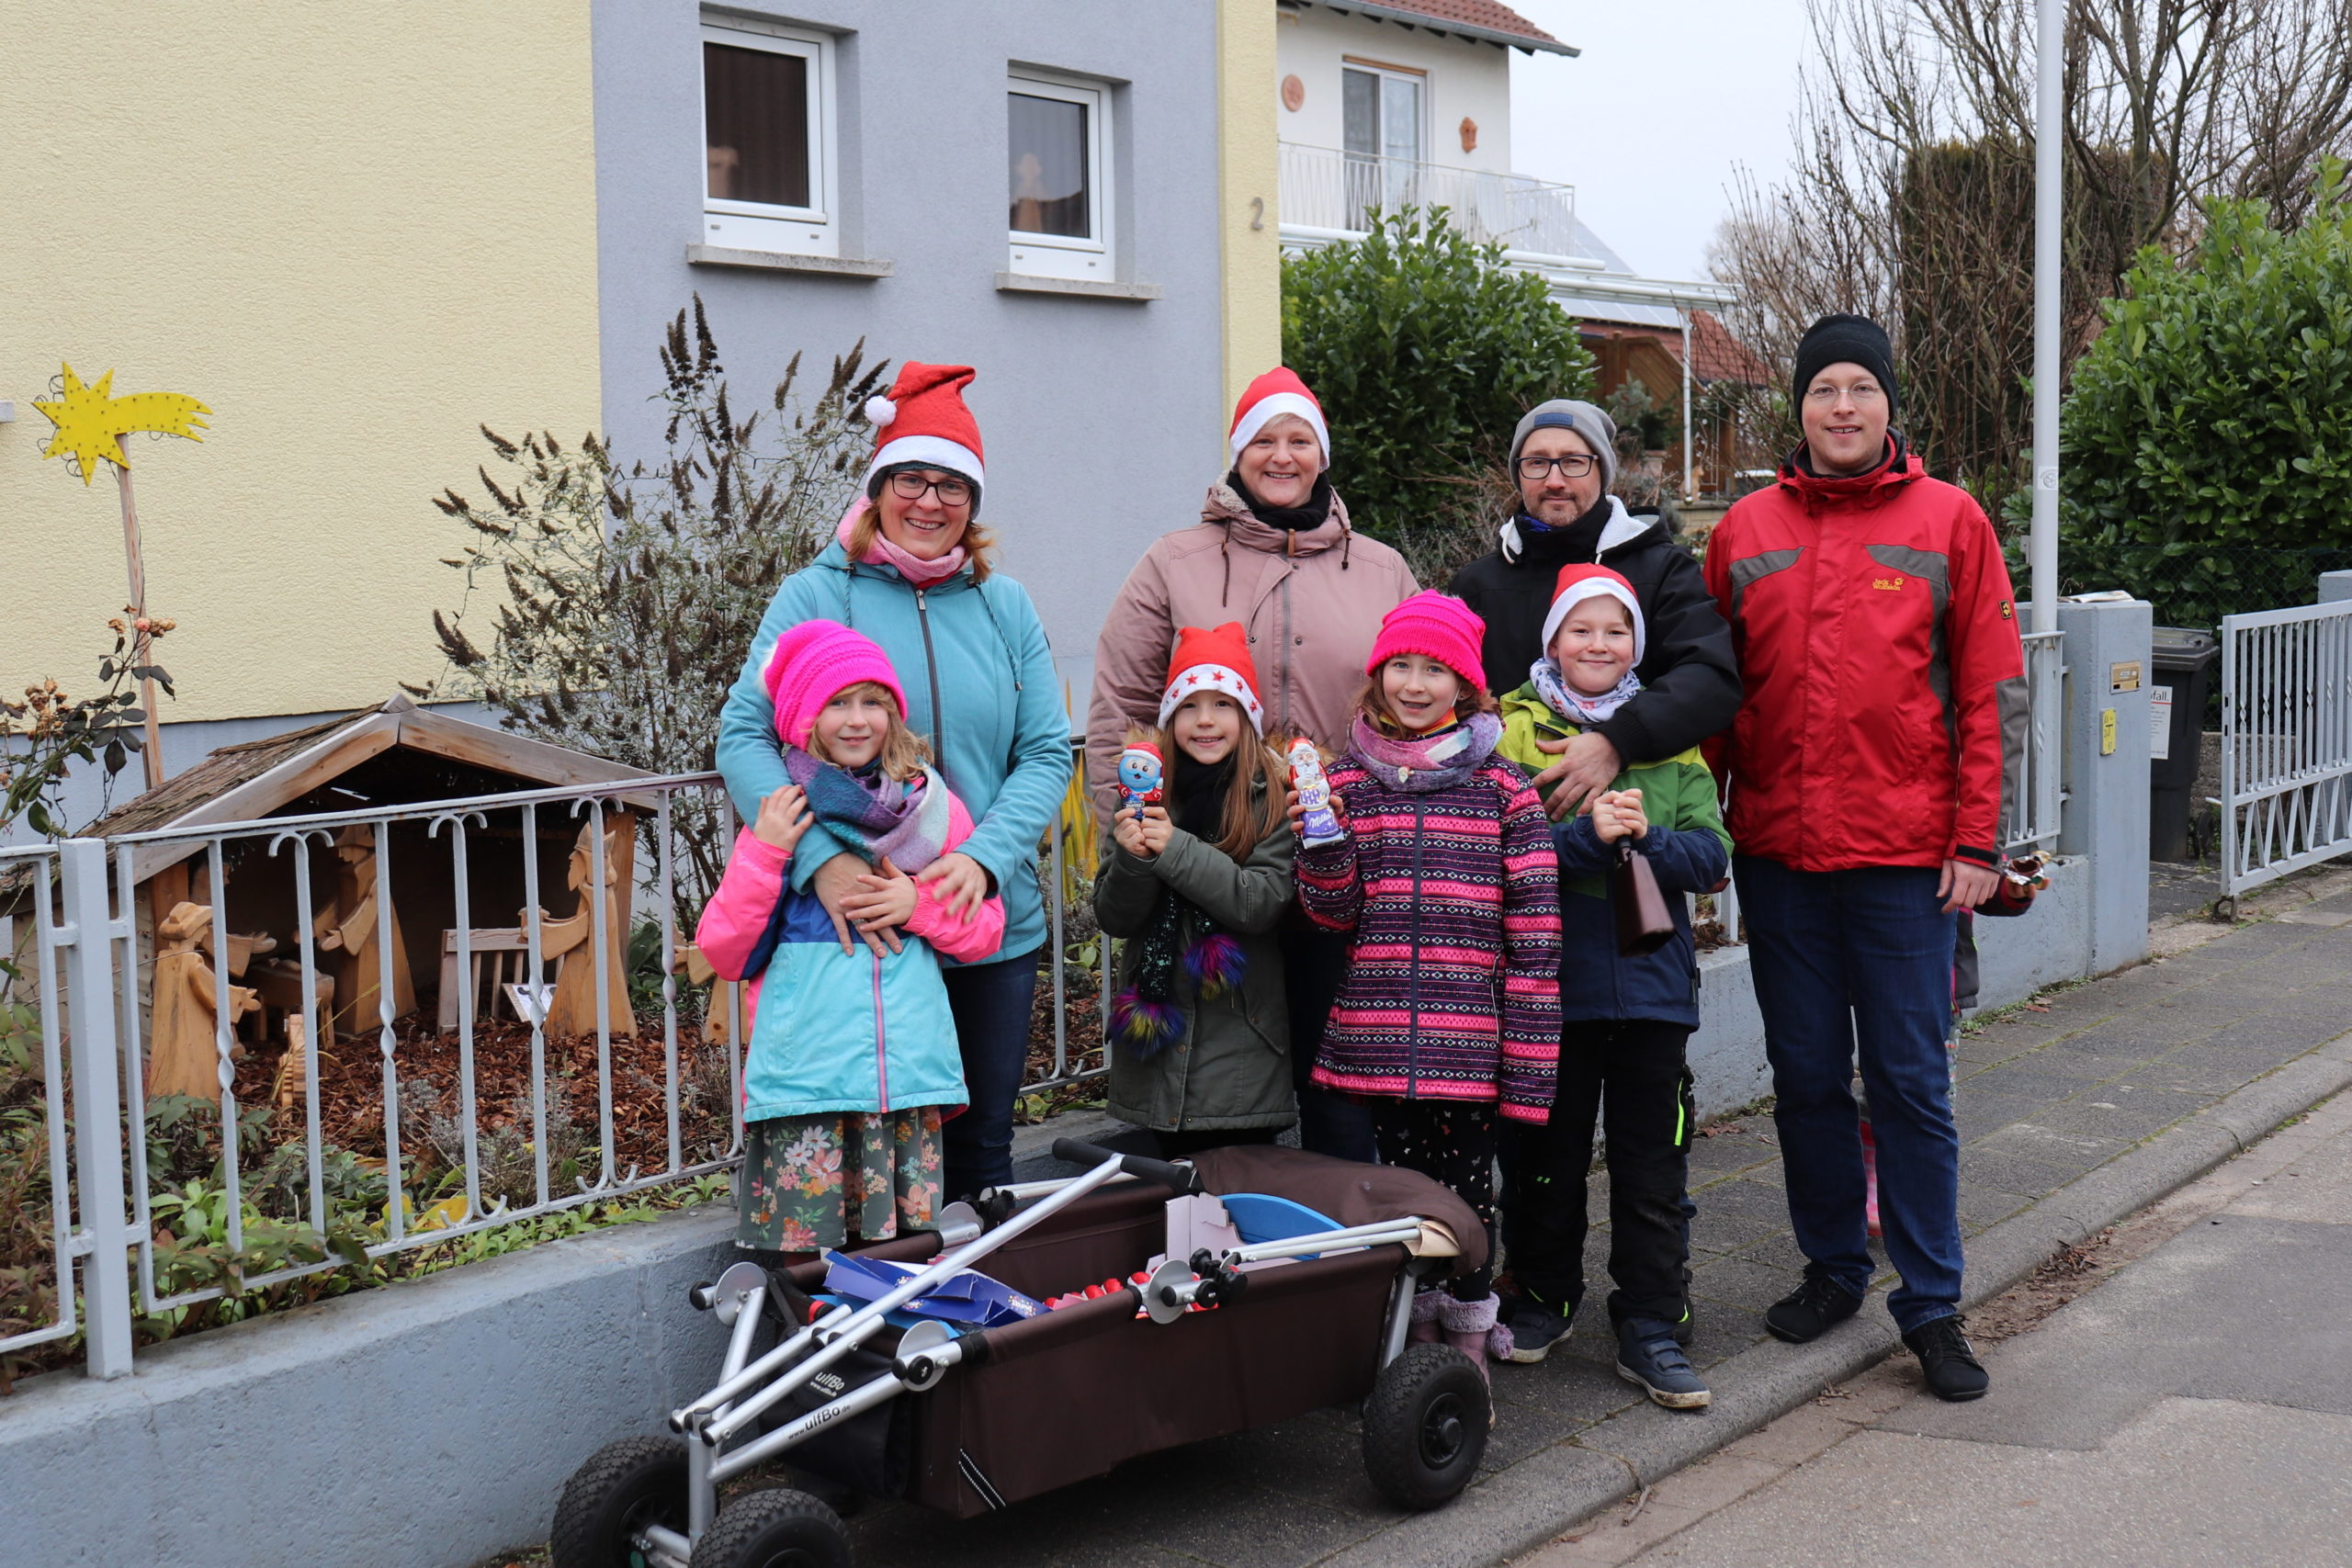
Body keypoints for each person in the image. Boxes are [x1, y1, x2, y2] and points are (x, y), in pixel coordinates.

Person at [1702, 312, 2026, 1403]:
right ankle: (1834, 1266)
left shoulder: (1950, 522)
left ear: (1890, 404)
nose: (1842, 407)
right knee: (1801, 1078)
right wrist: (1700, 830)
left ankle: (1931, 1304)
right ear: (1797, 409)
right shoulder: (1743, 530)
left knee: (1908, 1084)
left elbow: (1992, 694)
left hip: (1907, 865)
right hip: (1780, 857)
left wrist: (1977, 840)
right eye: (1822, 389)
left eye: (1860, 388)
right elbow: (1710, 702)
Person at [717, 363, 1069, 1201]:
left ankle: (972, 1329)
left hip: (979, 918)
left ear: (972, 504)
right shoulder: (814, 598)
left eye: (953, 485)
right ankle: (881, 1326)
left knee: (982, 1150)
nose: (930, 501)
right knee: (868, 1164)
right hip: (855, 939)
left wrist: (982, 859)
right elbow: (743, 733)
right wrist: (817, 864)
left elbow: (1048, 751)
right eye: (911, 477)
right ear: (878, 487)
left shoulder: (1004, 606)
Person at [1090, 367, 1418, 1162]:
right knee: (1239, 1064)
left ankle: (1349, 1249)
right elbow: (1120, 703)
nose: (1282, 455)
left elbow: (1417, 697)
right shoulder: (1175, 561)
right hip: (1215, 860)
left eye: (1299, 439)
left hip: (1350, 859)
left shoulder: (1380, 569)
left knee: (1341, 1070)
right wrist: (1130, 832)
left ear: (1322, 454)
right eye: (1263, 439)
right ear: (1237, 455)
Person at [1292, 592, 1561, 1380]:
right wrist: (1324, 838)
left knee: (1469, 1195)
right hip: (1375, 1037)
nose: (1415, 683)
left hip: (1467, 1046)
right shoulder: (1346, 781)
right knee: (1400, 1197)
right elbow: (1329, 913)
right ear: (1377, 678)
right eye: (1400, 666)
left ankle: (1469, 1338)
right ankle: (1415, 1339)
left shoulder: (1506, 791)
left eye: (1435, 669)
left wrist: (1530, 1066)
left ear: (1466, 687)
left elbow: (1538, 941)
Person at [1492, 565, 1731, 1410]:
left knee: (1651, 1167)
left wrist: (1651, 838)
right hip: (1548, 993)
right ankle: (1547, 1298)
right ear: (1551, 639)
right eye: (1581, 630)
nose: (1599, 645)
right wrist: (1588, 839)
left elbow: (1713, 854)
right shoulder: (1512, 731)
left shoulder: (1663, 734)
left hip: (1653, 994)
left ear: (1637, 643)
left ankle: (1653, 1323)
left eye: (1616, 631)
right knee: (1546, 1165)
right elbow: (1503, 850)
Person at [696, 621, 1005, 1257]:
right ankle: (817, 1361)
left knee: (902, 1263)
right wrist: (771, 854)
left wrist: (915, 902)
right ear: (804, 715)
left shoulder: (930, 810)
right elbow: (724, 949)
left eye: (873, 702)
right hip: (808, 1090)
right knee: (807, 1267)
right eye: (837, 702)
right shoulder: (783, 815)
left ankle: (891, 1359)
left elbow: (984, 929)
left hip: (904, 1092)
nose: (858, 719)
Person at [1448, 399, 1739, 823]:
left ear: (1601, 470)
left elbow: (1709, 679)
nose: (1554, 480)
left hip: (1634, 834)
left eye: (1573, 462)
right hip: (1502, 842)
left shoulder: (1660, 570)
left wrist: (1618, 741)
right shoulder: (1479, 584)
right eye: (1536, 463)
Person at [1094, 623, 1297, 1156]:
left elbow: (1259, 903)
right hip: (1157, 1052)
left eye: (1223, 705)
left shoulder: (1271, 797)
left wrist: (1173, 848)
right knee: (1169, 1214)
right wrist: (1135, 858)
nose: (1205, 720)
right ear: (1169, 719)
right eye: (1189, 706)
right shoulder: (1141, 796)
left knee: (1237, 1210)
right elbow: (1116, 918)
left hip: (1242, 1055)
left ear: (1246, 718)